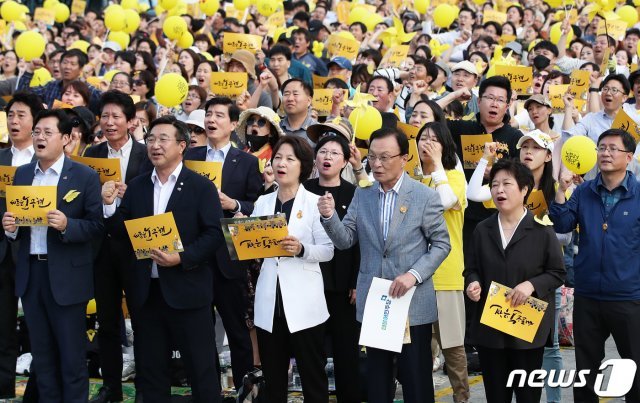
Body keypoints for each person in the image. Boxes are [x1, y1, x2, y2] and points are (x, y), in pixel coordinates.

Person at [319, 127, 451, 403]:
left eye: (385, 158)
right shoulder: (363, 195)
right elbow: (345, 241)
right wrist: (330, 217)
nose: (377, 165)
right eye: (372, 158)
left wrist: (414, 275)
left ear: (404, 158)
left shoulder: (423, 196)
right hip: (376, 302)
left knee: (416, 382)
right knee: (378, 382)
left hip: (411, 302)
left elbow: (441, 244)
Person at [102, 116, 224, 403]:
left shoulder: (200, 186)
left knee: (201, 370)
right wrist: (108, 207)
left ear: (182, 145)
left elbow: (214, 235)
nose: (155, 146)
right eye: (151, 139)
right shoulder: (139, 185)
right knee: (151, 372)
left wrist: (181, 258)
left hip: (188, 292)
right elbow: (121, 230)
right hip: (147, 294)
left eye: (163, 139)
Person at [2, 109, 104, 402]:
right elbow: (16, 225)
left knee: (72, 357)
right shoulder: (21, 175)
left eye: (47, 133)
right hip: (31, 274)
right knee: (42, 358)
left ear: (66, 138)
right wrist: (9, 228)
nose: (40, 138)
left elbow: (97, 226)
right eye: (36, 132)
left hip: (67, 278)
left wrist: (67, 225)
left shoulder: (84, 176)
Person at [549, 128, 640, 402]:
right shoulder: (584, 190)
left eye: (613, 148)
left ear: (629, 156)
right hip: (588, 295)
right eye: (601, 148)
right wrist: (562, 190)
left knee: (633, 369)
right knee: (586, 371)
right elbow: (563, 224)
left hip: (629, 297)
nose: (606, 153)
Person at [464, 158, 565, 403]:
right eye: (495, 184)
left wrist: (531, 285)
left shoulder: (542, 229)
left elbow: (557, 272)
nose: (499, 190)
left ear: (524, 190)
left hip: (526, 329)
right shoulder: (482, 229)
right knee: (496, 395)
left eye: (507, 184)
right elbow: (471, 269)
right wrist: (473, 283)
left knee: (527, 395)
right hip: (492, 327)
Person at [185, 97, 261, 390]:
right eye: (209, 115)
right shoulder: (190, 157)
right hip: (195, 258)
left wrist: (234, 203)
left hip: (230, 258)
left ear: (232, 124)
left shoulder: (247, 162)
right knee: (199, 334)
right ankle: (205, 391)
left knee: (237, 332)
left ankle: (243, 390)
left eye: (219, 115)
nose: (211, 120)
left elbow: (258, 205)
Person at [251, 136, 334, 402]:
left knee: (312, 376)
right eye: (277, 157)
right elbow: (252, 252)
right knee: (273, 379)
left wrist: (301, 249)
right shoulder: (262, 203)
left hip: (304, 304)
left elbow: (328, 250)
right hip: (269, 302)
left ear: (304, 166)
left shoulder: (314, 202)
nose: (281, 163)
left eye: (289, 158)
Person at [84, 90, 152, 403]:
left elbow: (157, 199)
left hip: (136, 248)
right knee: (107, 322)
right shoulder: (92, 155)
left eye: (116, 117)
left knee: (142, 320)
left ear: (131, 121)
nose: (110, 122)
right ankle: (111, 386)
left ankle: (144, 387)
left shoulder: (146, 154)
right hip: (102, 250)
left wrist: (130, 195)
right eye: (105, 116)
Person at [305, 132, 361, 403]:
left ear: (345, 161)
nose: (327, 157)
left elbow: (360, 242)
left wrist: (355, 282)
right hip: (309, 281)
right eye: (323, 152)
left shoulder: (355, 194)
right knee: (311, 350)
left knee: (345, 352)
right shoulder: (304, 190)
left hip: (342, 285)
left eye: (334, 153)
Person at [417, 121, 470, 403]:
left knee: (452, 344)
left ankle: (461, 397)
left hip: (447, 272)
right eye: (422, 138)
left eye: (434, 139)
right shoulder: (413, 180)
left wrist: (437, 163)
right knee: (420, 346)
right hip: (416, 274)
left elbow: (447, 200)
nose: (427, 142)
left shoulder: (454, 176)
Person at [0, 92, 43, 400]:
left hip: (36, 252)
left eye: (21, 116)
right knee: (2, 325)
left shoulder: (45, 160)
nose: (14, 121)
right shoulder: (0, 159)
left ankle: (39, 389)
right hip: (2, 253)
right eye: (10, 115)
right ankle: (3, 386)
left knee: (40, 326)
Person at [279, 78, 318, 145]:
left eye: (295, 94)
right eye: (286, 94)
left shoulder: (318, 130)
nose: (290, 98)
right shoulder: (275, 128)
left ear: (309, 100)